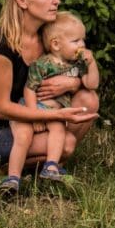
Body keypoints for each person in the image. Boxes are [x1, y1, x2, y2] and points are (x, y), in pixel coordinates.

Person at [0, 0, 100, 199]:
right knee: (66, 142)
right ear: (22, 1)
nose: (56, 0)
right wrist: (56, 116)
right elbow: (0, 109)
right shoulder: (2, 46)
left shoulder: (48, 35)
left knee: (88, 98)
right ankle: (12, 169)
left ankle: (44, 166)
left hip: (33, 116)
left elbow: (81, 72)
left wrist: (73, 84)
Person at [9, 11, 100, 184]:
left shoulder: (77, 63)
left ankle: (51, 166)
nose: (82, 45)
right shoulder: (43, 64)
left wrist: (91, 63)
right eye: (76, 41)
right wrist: (34, 113)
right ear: (56, 44)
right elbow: (29, 90)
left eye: (82, 40)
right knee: (24, 137)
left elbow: (91, 84)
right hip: (35, 108)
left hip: (55, 113)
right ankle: (12, 176)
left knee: (58, 131)